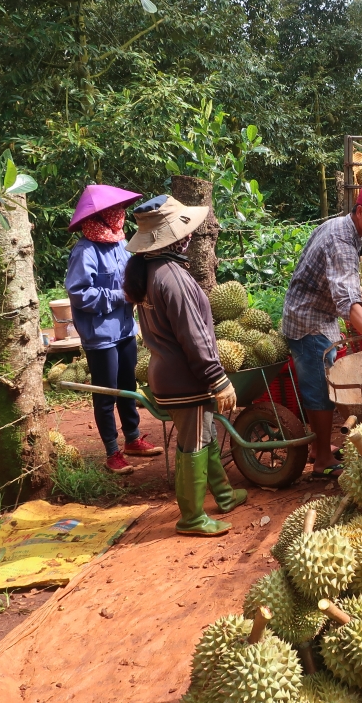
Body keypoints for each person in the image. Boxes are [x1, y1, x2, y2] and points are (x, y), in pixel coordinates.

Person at [122, 195, 246, 536]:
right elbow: (195, 336)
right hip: (185, 379)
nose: (190, 235)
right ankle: (191, 519)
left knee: (205, 435)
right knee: (192, 443)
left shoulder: (148, 270)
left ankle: (223, 495)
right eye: (185, 230)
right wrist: (217, 377)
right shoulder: (171, 277)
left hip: (169, 373)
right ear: (176, 238)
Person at [281, 183, 362, 478]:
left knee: (327, 385)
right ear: (359, 211)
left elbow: (335, 276)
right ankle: (321, 458)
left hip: (319, 316)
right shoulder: (341, 242)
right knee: (321, 392)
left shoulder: (341, 228)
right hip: (308, 321)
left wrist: (360, 291)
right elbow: (348, 304)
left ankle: (318, 447)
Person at [65, 185, 163, 475]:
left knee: (127, 387)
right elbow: (80, 293)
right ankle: (111, 451)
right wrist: (120, 295)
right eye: (114, 211)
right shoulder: (85, 251)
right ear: (102, 216)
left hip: (125, 330)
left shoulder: (121, 243)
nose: (120, 215)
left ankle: (133, 439)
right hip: (101, 335)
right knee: (106, 394)